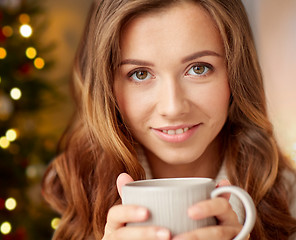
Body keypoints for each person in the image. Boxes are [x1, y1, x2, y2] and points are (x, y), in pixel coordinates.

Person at [41, 0, 296, 239]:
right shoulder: (80, 187)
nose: (173, 108)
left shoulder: (287, 195)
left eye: (198, 68)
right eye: (140, 74)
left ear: (236, 73)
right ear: (106, 87)